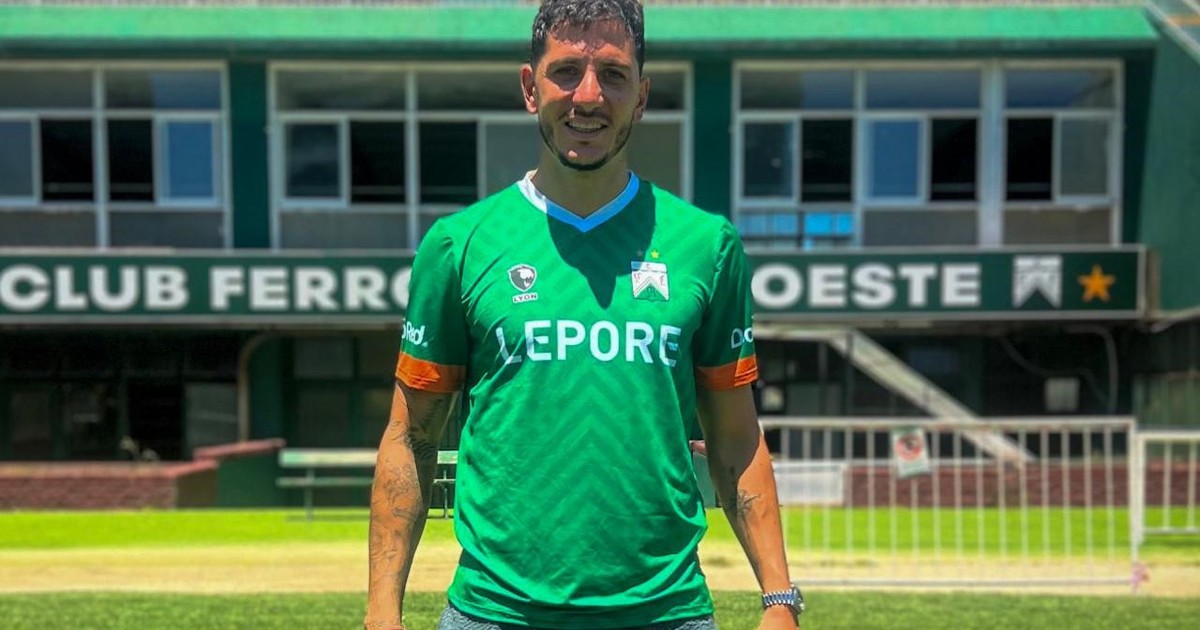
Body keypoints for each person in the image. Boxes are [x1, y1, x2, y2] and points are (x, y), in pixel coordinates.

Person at [365, 1, 801, 628]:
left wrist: (779, 598)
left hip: (666, 613)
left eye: (614, 75)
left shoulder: (707, 245)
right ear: (529, 88)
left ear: (641, 96)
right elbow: (411, 438)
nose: (589, 97)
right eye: (566, 71)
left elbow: (736, 438)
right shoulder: (458, 245)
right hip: (494, 614)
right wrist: (382, 612)